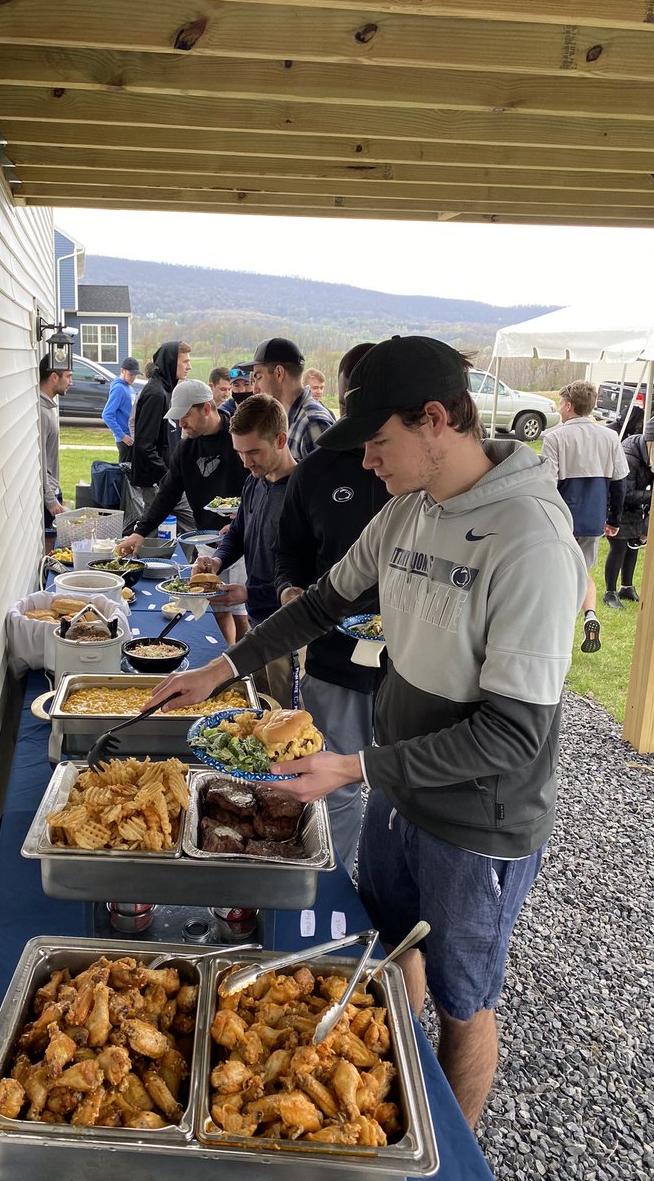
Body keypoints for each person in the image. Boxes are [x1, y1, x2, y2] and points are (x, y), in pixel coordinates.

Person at [148, 334, 587, 1131]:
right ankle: (392, 1101)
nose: (368, 463)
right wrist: (220, 672)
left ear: (434, 421)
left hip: (477, 820)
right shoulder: (409, 511)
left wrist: (354, 767)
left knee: (465, 1002)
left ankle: (447, 1148)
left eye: (378, 443)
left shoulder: (531, 540)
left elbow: (514, 736)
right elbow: (321, 604)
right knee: (391, 948)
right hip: (394, 789)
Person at [275, 344, 388, 873]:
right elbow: (289, 552)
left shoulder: (431, 484)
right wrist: (289, 589)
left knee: (398, 790)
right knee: (332, 780)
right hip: (335, 655)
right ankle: (336, 880)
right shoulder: (317, 470)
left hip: (411, 671)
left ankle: (386, 890)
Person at [116, 379, 248, 644]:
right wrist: (140, 532)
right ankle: (227, 655)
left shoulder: (238, 436)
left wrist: (244, 516)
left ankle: (247, 668)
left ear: (207, 408)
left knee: (241, 611)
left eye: (186, 416)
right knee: (216, 607)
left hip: (243, 540)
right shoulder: (187, 447)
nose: (181, 424)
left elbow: (260, 481)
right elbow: (168, 492)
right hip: (207, 540)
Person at [192, 394, 298, 702]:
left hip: (288, 632)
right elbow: (239, 532)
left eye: (254, 452)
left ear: (281, 439)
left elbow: (309, 577)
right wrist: (217, 560)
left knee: (281, 714)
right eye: (240, 453)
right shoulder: (255, 480)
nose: (246, 462)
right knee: (258, 705)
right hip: (257, 624)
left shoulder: (301, 493)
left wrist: (251, 593)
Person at [539, 380, 628, 652]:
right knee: (584, 570)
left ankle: (559, 626)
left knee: (557, 574)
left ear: (567, 405)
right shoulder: (610, 437)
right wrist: (613, 519)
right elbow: (620, 482)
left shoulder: (555, 437)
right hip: (592, 518)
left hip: (562, 517)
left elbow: (548, 482)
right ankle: (590, 614)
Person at [124, 340, 195, 535]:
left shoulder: (166, 390)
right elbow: (144, 445)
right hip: (157, 478)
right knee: (155, 530)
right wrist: (166, 476)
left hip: (167, 474)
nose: (189, 366)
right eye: (185, 361)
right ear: (171, 361)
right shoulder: (156, 393)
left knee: (155, 529)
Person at [242, 337, 335, 459]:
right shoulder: (287, 418)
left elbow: (327, 478)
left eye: (259, 377)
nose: (255, 390)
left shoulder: (312, 424)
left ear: (279, 373)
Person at [602, 430, 652, 606]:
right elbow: (626, 493)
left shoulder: (647, 456)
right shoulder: (630, 456)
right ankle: (609, 592)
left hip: (633, 506)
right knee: (619, 547)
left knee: (633, 545)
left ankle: (626, 587)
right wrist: (651, 496)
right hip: (615, 504)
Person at [38, 356, 72, 526]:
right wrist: (51, 500)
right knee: (53, 545)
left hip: (53, 489)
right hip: (48, 495)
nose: (70, 382)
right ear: (53, 377)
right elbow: (41, 461)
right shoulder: (42, 412)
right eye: (68, 376)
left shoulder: (49, 407)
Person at [103, 356, 142, 462]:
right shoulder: (118, 389)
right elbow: (107, 415)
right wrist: (122, 436)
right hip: (125, 440)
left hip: (132, 436)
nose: (133, 377)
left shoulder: (129, 387)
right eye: (131, 374)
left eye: (135, 375)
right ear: (122, 371)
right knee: (124, 474)